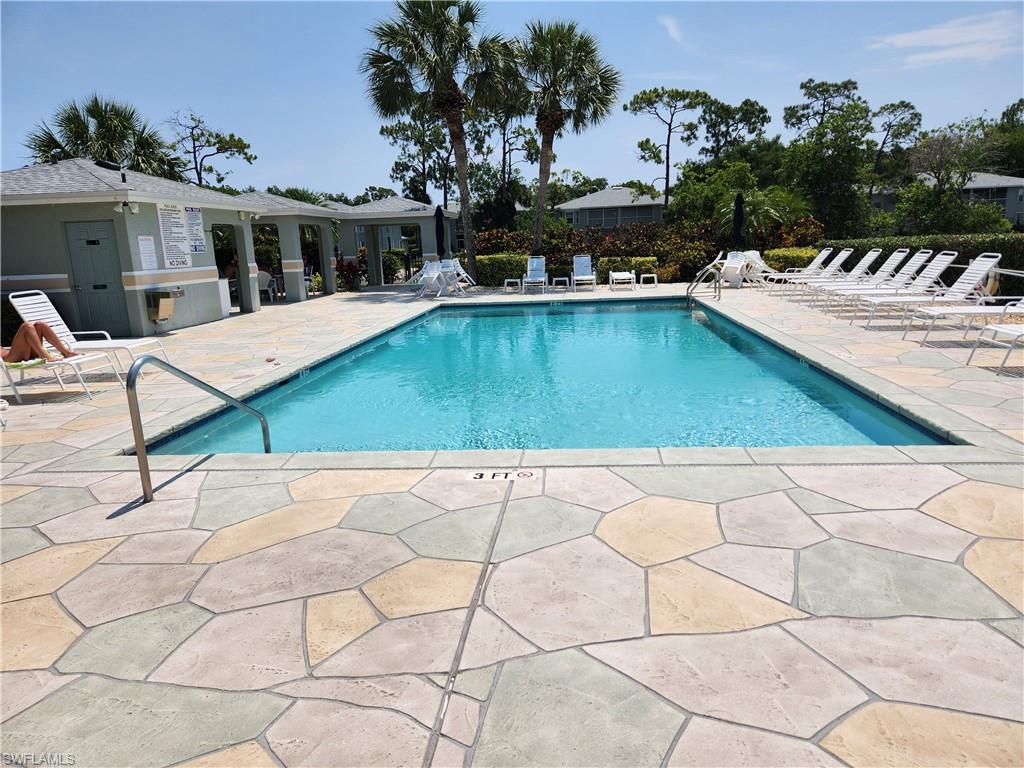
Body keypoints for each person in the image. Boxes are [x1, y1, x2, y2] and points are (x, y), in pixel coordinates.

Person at [1, 321, 80, 364]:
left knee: (40, 325)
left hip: (20, 353)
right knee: (26, 326)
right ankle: (46, 356)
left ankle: (66, 352)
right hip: (10, 358)